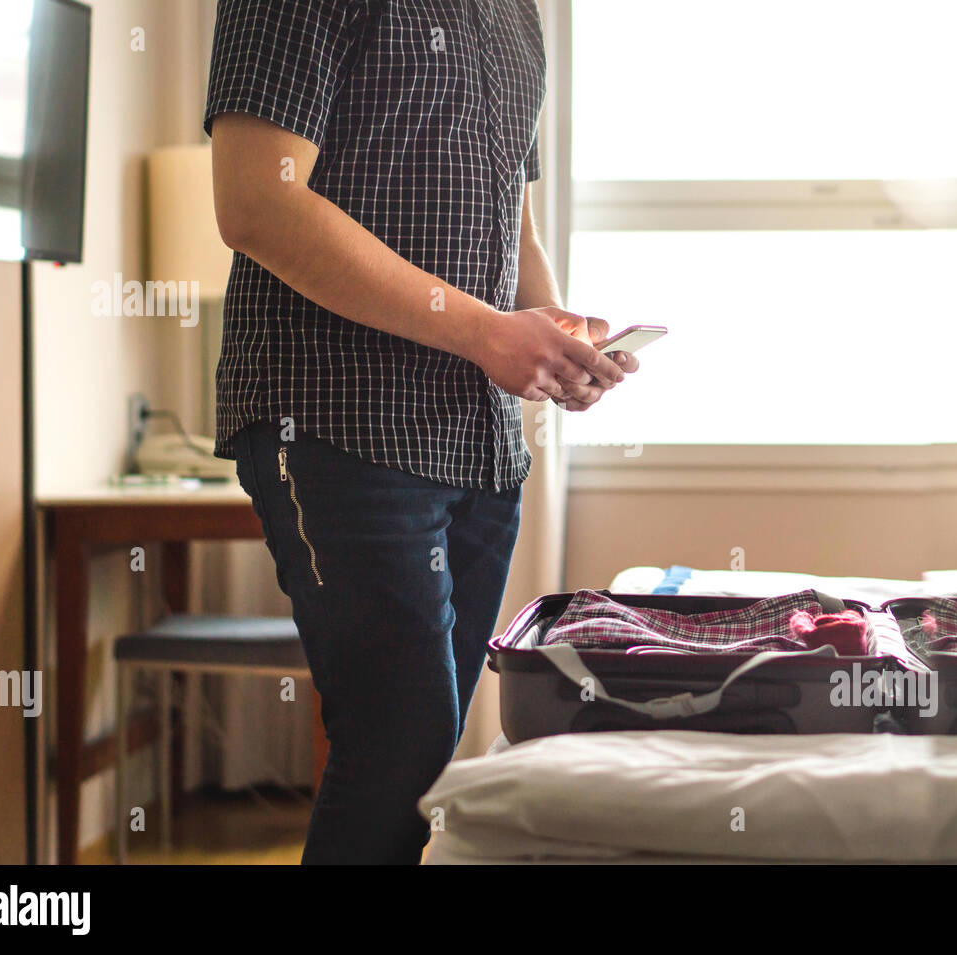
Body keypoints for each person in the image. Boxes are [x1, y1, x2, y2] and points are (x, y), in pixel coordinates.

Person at [203, 0, 638, 863]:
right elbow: (255, 200)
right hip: (333, 415)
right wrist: (485, 332)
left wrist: (553, 336)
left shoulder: (517, 13)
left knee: (425, 757)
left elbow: (507, 211)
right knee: (399, 745)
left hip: (476, 442)